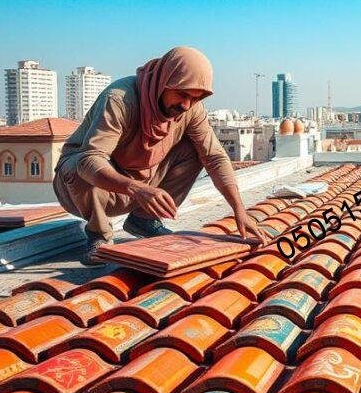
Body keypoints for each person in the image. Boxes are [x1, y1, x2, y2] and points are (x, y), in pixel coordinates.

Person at [55, 46, 266, 266]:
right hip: (85, 191)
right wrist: (137, 189)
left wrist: (239, 211)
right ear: (164, 81)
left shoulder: (191, 110)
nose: (186, 105)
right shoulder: (119, 100)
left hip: (139, 189)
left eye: (195, 98)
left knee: (196, 150)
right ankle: (99, 235)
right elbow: (90, 160)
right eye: (182, 94)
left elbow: (215, 157)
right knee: (79, 163)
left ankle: (143, 220)